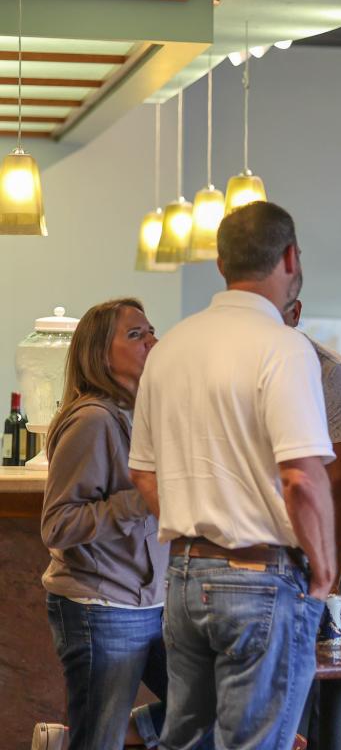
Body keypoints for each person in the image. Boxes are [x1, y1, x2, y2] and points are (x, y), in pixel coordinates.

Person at [129, 201, 337, 748]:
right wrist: (324, 571)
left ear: (220, 263)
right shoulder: (284, 347)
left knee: (185, 740)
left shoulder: (170, 346)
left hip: (184, 573)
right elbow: (302, 477)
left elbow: (144, 473)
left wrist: (196, 522)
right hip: (261, 576)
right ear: (291, 257)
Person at [39, 299, 168, 750]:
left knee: (206, 708)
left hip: (153, 602)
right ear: (98, 352)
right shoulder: (93, 421)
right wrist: (146, 499)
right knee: (99, 741)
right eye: (135, 334)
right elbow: (58, 525)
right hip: (101, 606)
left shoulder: (142, 416)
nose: (151, 340)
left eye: (151, 330)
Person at [283, 298, 341, 743]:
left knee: (314, 699)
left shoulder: (329, 372)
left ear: (295, 313)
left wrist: (329, 575)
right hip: (224, 568)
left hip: (303, 558)